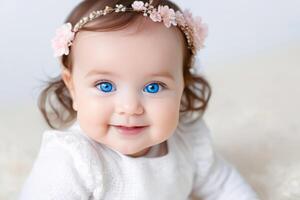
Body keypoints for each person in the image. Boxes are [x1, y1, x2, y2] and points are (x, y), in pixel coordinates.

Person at [19, 0, 260, 199]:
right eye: (105, 85)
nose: (130, 107)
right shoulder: (73, 160)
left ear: (182, 86)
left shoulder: (189, 143)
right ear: (72, 89)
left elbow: (224, 186)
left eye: (153, 87)